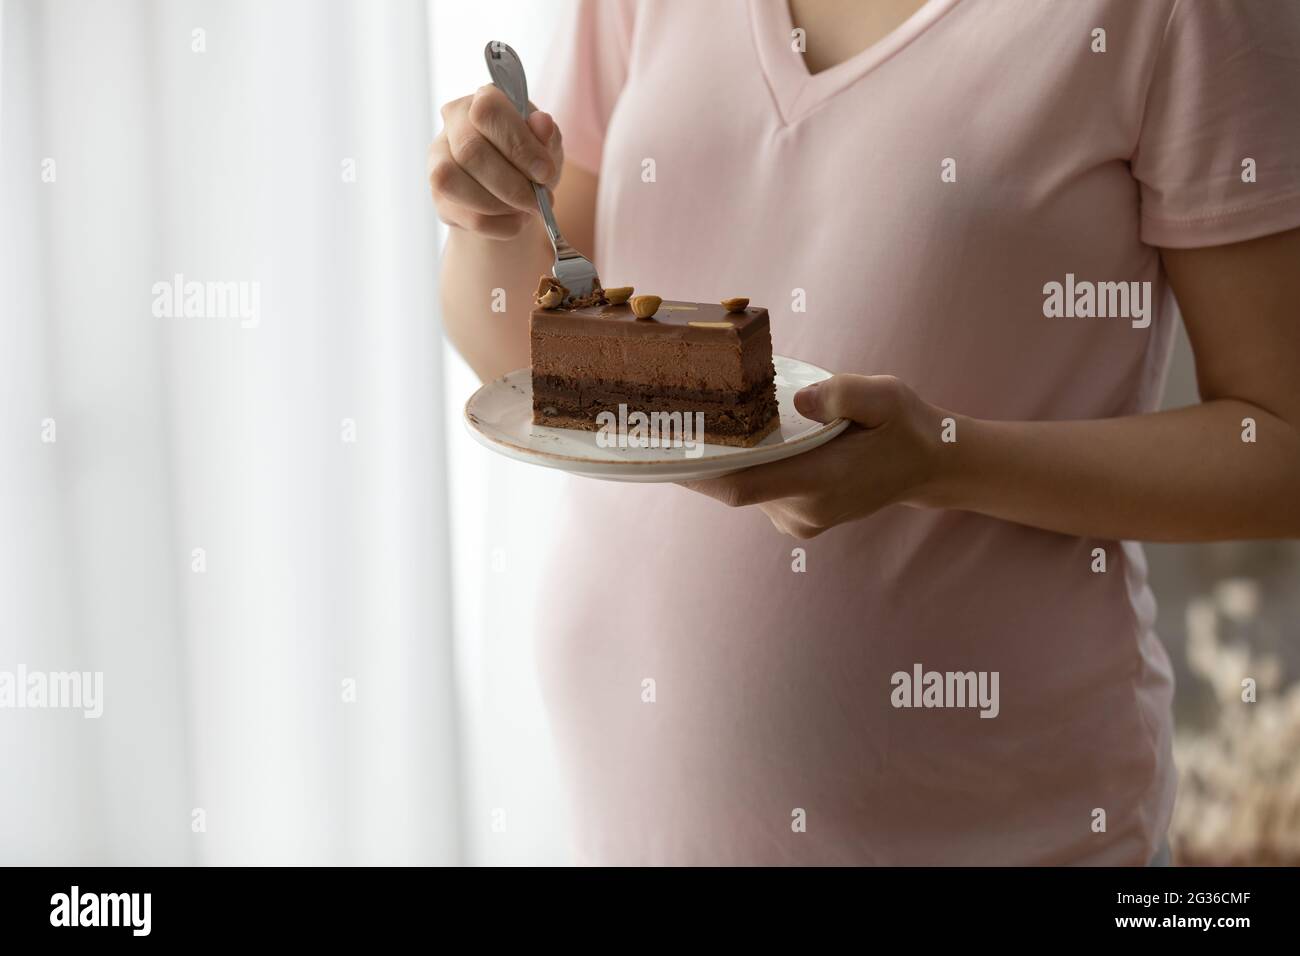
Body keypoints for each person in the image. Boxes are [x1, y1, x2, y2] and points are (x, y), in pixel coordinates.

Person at [430, 0, 1300, 864]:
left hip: (1010, 833)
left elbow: (1279, 448)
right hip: (634, 827)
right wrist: (492, 225)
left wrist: (943, 460)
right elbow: (526, 355)